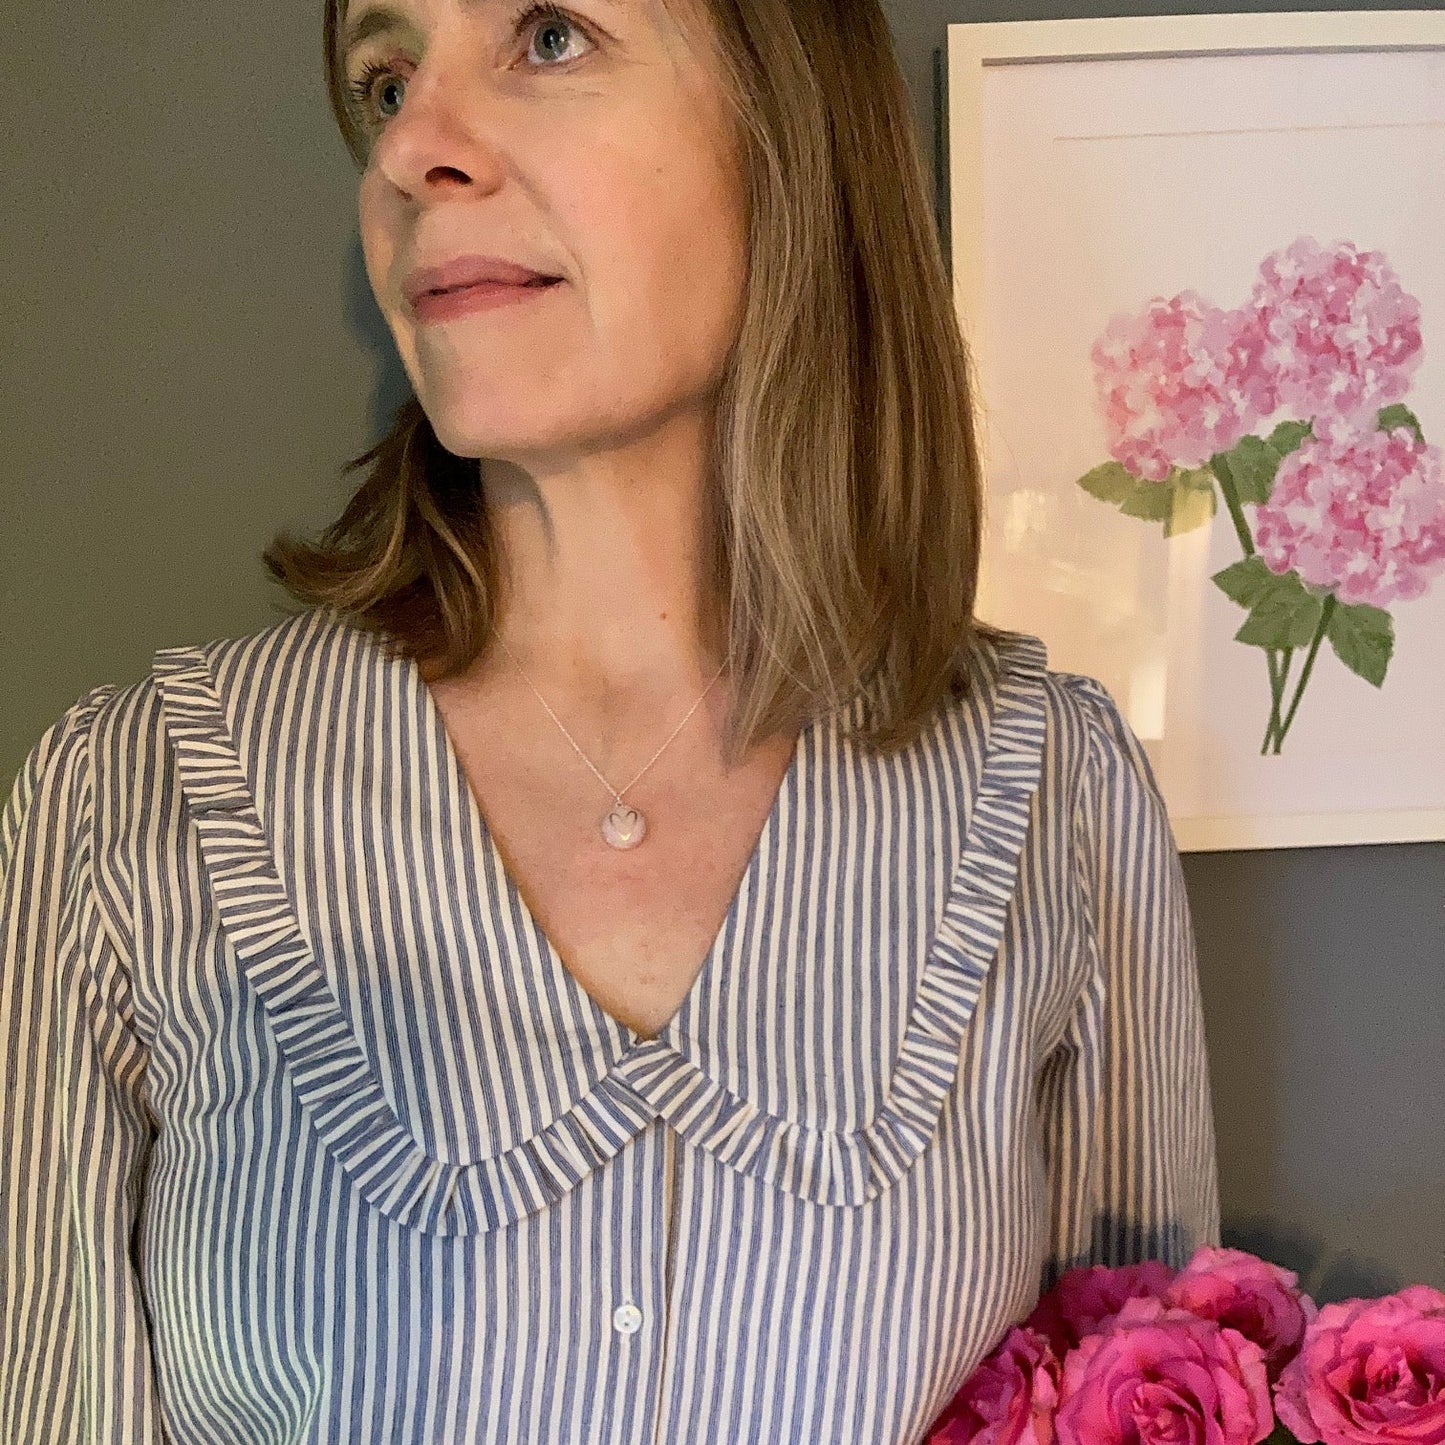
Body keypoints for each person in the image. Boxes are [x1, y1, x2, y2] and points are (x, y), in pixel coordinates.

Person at [0, 0, 1221, 1439]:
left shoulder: (1048, 794)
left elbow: (1156, 1385)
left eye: (550, 38)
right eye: (385, 82)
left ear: (789, 136)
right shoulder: (130, 804)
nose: (412, 152)